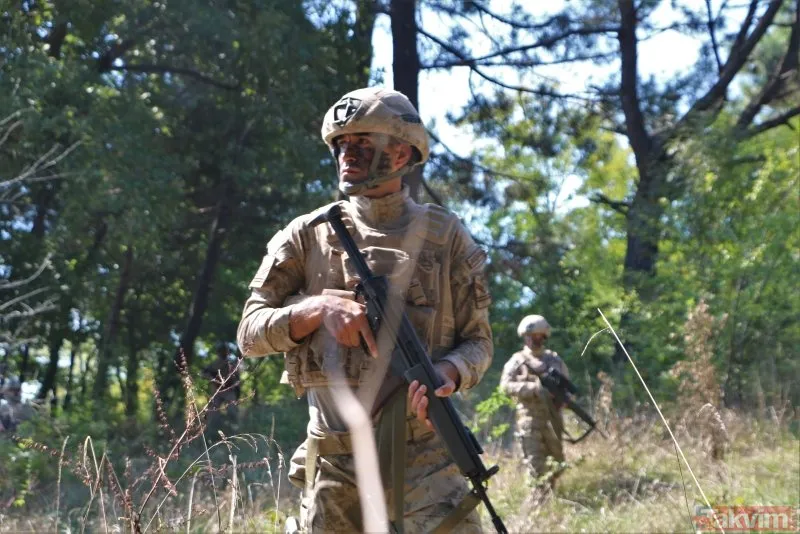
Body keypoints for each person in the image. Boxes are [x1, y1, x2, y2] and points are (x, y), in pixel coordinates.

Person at [237, 87, 493, 533]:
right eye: (340, 144)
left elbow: (479, 342)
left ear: (401, 153)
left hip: (425, 460)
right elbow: (249, 334)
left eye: (362, 143)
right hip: (334, 465)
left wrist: (449, 372)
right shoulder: (307, 235)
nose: (346, 154)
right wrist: (315, 309)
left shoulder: (445, 235)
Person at [499, 314, 569, 492]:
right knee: (536, 465)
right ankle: (536, 505)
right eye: (530, 337)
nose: (534, 341)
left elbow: (566, 387)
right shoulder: (517, 361)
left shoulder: (554, 360)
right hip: (529, 420)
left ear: (544, 337)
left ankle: (550, 500)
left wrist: (562, 397)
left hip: (553, 420)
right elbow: (505, 386)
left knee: (557, 463)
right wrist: (533, 388)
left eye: (538, 337)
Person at [202, 342, 241, 432]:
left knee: (232, 411)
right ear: (218, 352)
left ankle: (234, 432)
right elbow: (203, 373)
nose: (223, 353)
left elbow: (237, 379)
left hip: (230, 391)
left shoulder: (232, 363)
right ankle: (211, 432)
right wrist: (212, 378)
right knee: (212, 413)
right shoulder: (214, 364)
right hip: (217, 391)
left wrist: (236, 387)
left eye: (225, 351)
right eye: (221, 351)